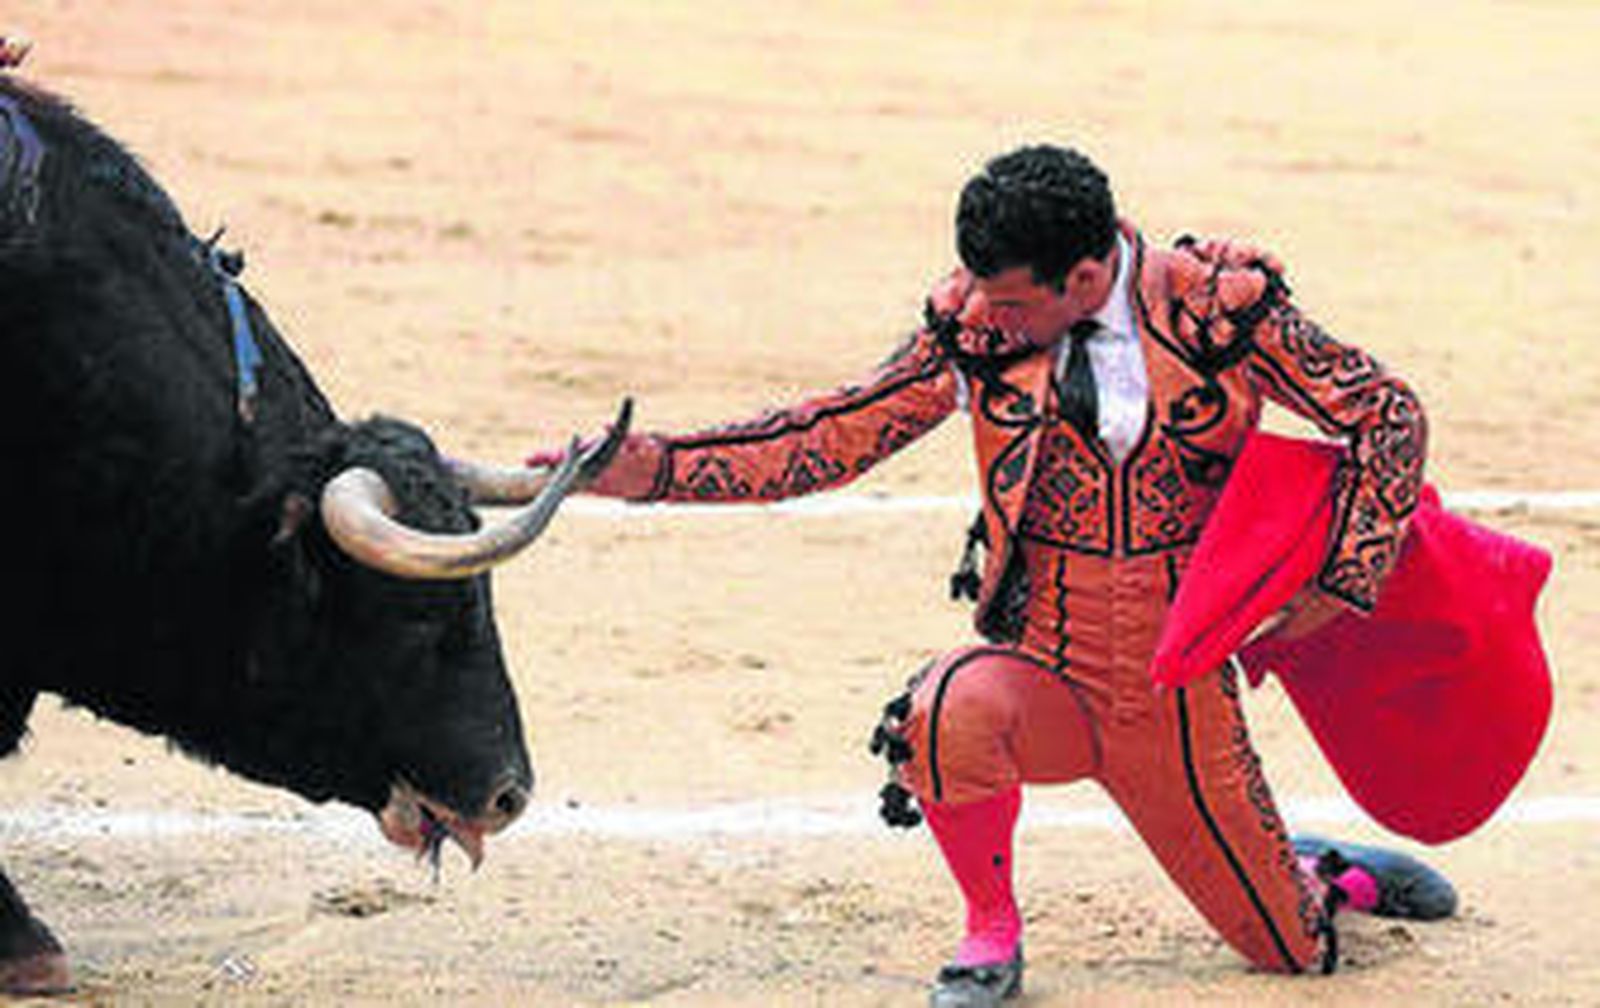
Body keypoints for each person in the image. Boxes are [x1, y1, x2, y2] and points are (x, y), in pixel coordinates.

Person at [529, 144, 1456, 1006]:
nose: (986, 314)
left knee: (1290, 953)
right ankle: (990, 931)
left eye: (1011, 302)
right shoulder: (976, 321)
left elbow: (1387, 414)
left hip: (1175, 687)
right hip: (1042, 656)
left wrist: (1346, 574)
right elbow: (831, 436)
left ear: (1085, 278)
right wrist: (647, 469)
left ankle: (1319, 874)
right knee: (942, 715)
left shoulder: (1215, 308)